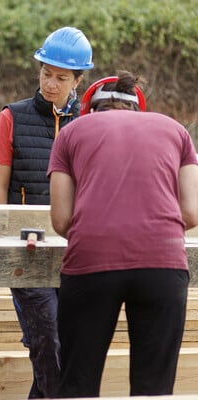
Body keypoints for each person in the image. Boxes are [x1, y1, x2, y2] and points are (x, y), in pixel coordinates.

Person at [48, 70, 198, 397]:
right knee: (154, 389)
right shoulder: (175, 130)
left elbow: (61, 219)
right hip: (162, 264)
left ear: (90, 109)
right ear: (137, 109)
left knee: (78, 385)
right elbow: (191, 213)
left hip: (90, 263)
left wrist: (100, 224)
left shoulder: (72, 132)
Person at [0, 26, 93, 398]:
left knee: (63, 342)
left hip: (78, 249)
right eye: (46, 73)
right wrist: (0, 237)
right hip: (26, 248)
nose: (50, 83)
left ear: (78, 80)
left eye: (61, 77)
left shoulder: (92, 124)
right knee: (47, 337)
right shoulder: (11, 117)